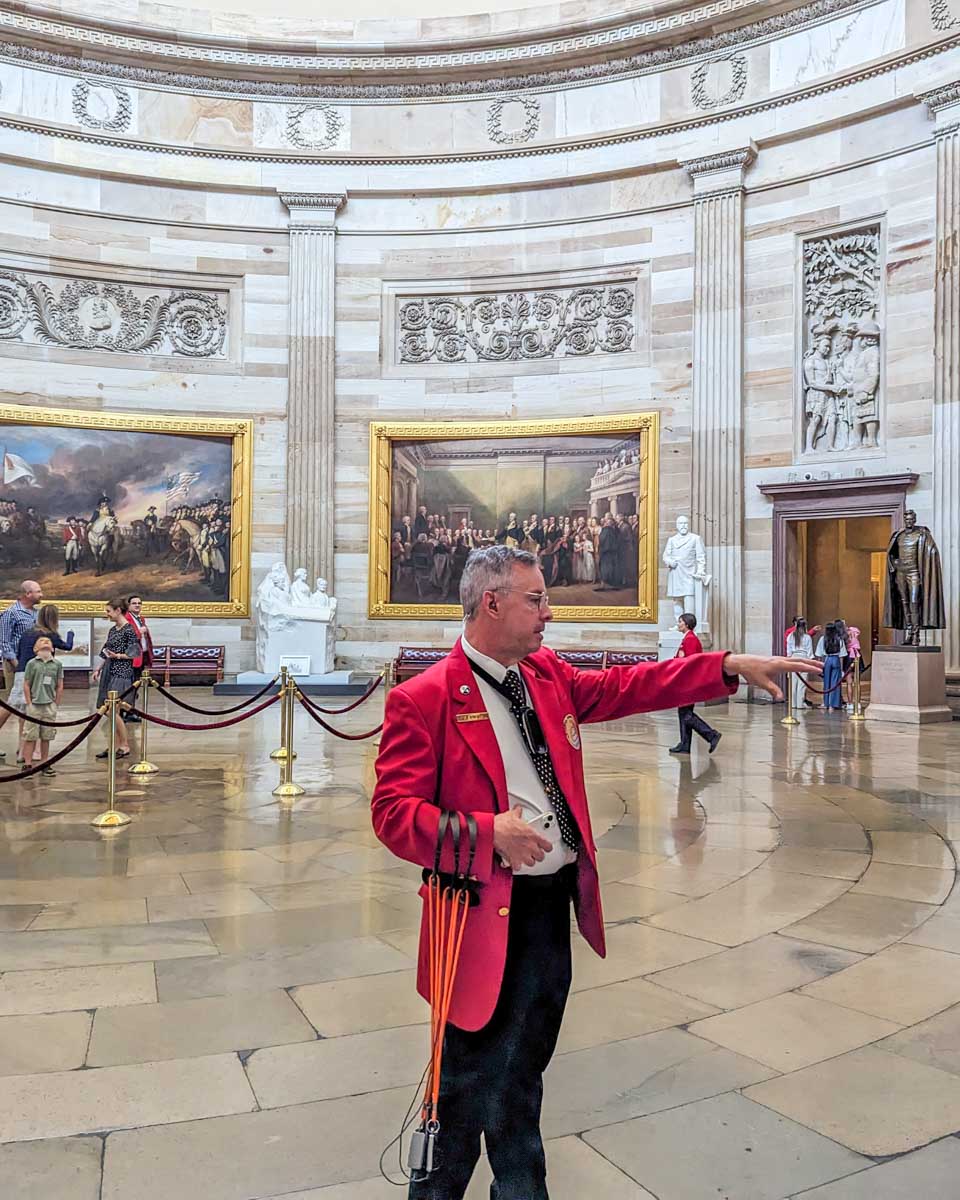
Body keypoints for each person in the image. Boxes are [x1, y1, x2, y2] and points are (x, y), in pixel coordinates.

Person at [371, 545, 818, 1200]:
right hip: (479, 923)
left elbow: (626, 687)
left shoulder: (545, 674)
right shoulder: (426, 699)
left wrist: (723, 667)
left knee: (524, 1074)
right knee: (463, 1091)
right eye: (536, 600)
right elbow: (393, 815)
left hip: (550, 910)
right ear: (491, 603)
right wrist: (486, 834)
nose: (548, 612)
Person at [15, 605, 75, 762]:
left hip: (21, 672)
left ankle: (22, 751)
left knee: (24, 714)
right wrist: (71, 634)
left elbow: (18, 652)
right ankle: (35, 752)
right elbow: (67, 646)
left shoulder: (27, 632)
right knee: (38, 714)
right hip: (38, 675)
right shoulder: (49, 635)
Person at [0, 580, 44, 760]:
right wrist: (16, 663)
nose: (41, 594)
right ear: (28, 594)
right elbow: (4, 642)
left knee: (27, 706)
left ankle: (23, 747)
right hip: (16, 664)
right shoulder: (10, 613)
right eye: (38, 591)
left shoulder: (37, 613)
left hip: (34, 664)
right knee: (12, 703)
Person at [92, 598, 139, 759]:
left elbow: (134, 653)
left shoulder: (129, 630)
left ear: (118, 610)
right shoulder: (113, 630)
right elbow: (106, 650)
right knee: (107, 709)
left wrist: (118, 656)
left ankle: (124, 745)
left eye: (109, 611)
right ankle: (115, 745)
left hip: (122, 672)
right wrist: (98, 668)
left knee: (113, 709)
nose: (107, 614)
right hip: (109, 670)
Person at [669, 613, 721, 755]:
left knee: (686, 714)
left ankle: (711, 734)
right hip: (685, 681)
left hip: (688, 682)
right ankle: (684, 744)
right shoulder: (688, 638)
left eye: (680, 621)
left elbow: (690, 662)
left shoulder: (690, 639)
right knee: (683, 712)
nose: (678, 624)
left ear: (686, 624)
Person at [21, 636, 64, 778]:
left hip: (49, 705)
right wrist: (29, 703)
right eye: (41, 641)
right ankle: (28, 764)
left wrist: (56, 703)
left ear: (52, 648)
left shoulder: (57, 664)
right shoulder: (32, 664)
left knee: (47, 735)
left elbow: (59, 685)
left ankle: (45, 762)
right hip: (34, 705)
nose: (45, 642)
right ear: (35, 648)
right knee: (30, 735)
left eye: (48, 641)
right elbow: (27, 684)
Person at [124, 595, 154, 724]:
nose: (137, 605)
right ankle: (125, 711)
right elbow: (125, 636)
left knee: (136, 685)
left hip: (141, 657)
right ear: (129, 605)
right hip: (131, 658)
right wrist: (139, 633)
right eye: (134, 603)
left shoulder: (141, 618)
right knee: (129, 686)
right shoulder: (126, 618)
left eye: (139, 603)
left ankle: (130, 711)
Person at [786, 617, 814, 710]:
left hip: (793, 658)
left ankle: (793, 704)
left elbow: (788, 651)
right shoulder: (807, 637)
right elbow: (809, 652)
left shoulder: (790, 636)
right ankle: (800, 704)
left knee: (793, 683)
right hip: (804, 658)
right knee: (802, 684)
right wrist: (811, 662)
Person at [816, 621, 844, 711]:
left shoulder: (823, 639)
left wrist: (819, 666)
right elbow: (842, 655)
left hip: (827, 659)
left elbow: (819, 654)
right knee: (835, 683)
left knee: (826, 682)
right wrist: (842, 669)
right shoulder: (839, 639)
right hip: (836, 659)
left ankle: (826, 703)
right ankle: (833, 704)